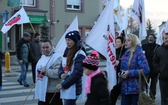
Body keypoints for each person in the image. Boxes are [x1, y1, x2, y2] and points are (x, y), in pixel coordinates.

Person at [56, 30, 86, 105]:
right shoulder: (67, 51)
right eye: (66, 40)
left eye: (69, 40)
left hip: (74, 87)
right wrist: (61, 74)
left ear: (75, 41)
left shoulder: (80, 53)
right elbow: (61, 66)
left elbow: (77, 73)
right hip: (67, 84)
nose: (67, 42)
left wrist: (63, 85)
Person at [119, 34, 150, 105]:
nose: (125, 42)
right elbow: (123, 69)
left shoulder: (139, 54)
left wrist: (129, 73)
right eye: (125, 40)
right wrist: (121, 74)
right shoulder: (125, 54)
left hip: (136, 90)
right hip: (124, 89)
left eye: (128, 40)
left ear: (133, 42)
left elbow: (146, 69)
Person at [34, 39, 63, 105]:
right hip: (42, 89)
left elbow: (58, 73)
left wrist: (46, 71)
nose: (45, 49)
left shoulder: (57, 57)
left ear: (51, 46)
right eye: (43, 47)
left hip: (53, 91)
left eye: (47, 47)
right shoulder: (43, 57)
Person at [142, 33, 159, 99]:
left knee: (153, 85)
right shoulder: (144, 46)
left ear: (155, 39)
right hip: (146, 68)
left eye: (152, 37)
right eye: (149, 37)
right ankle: (145, 97)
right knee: (145, 85)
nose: (150, 38)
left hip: (154, 69)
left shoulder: (158, 47)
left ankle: (152, 97)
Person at [110, 36, 126, 105]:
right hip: (114, 78)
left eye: (118, 42)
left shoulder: (125, 53)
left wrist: (119, 63)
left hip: (122, 79)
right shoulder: (113, 52)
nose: (116, 43)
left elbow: (127, 65)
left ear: (122, 44)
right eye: (115, 42)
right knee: (112, 98)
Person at [153, 32, 168, 105]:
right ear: (163, 39)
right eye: (165, 38)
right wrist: (159, 70)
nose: (167, 40)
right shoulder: (159, 50)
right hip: (163, 77)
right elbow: (154, 62)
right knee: (164, 98)